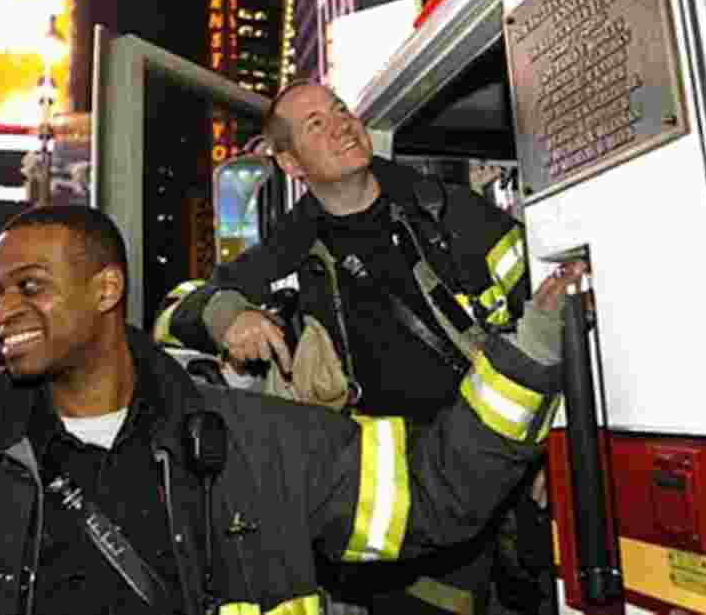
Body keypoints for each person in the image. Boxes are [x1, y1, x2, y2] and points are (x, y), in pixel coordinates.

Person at [0, 205, 575, 615]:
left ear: (107, 289)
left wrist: (533, 349)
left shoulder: (259, 443)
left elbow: (435, 492)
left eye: (29, 286)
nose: (2, 311)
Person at [170, 80, 565, 613]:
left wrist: (553, 446)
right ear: (290, 164)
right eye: (315, 124)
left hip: (511, 469)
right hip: (408, 515)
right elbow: (183, 309)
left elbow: (549, 308)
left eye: (339, 110)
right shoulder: (290, 248)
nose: (339, 123)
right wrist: (228, 315)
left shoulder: (447, 210)